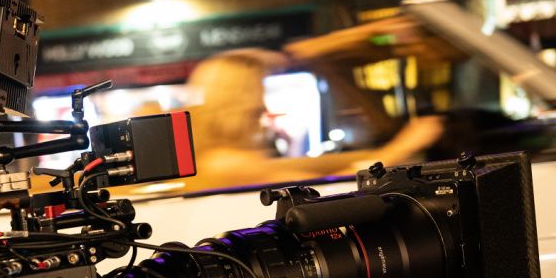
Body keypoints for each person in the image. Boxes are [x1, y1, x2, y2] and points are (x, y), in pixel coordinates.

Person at [182, 48, 444, 192]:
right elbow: (325, 194)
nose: (262, 105)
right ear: (238, 103)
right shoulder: (227, 164)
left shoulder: (219, 158)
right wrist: (404, 146)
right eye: (257, 94)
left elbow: (318, 171)